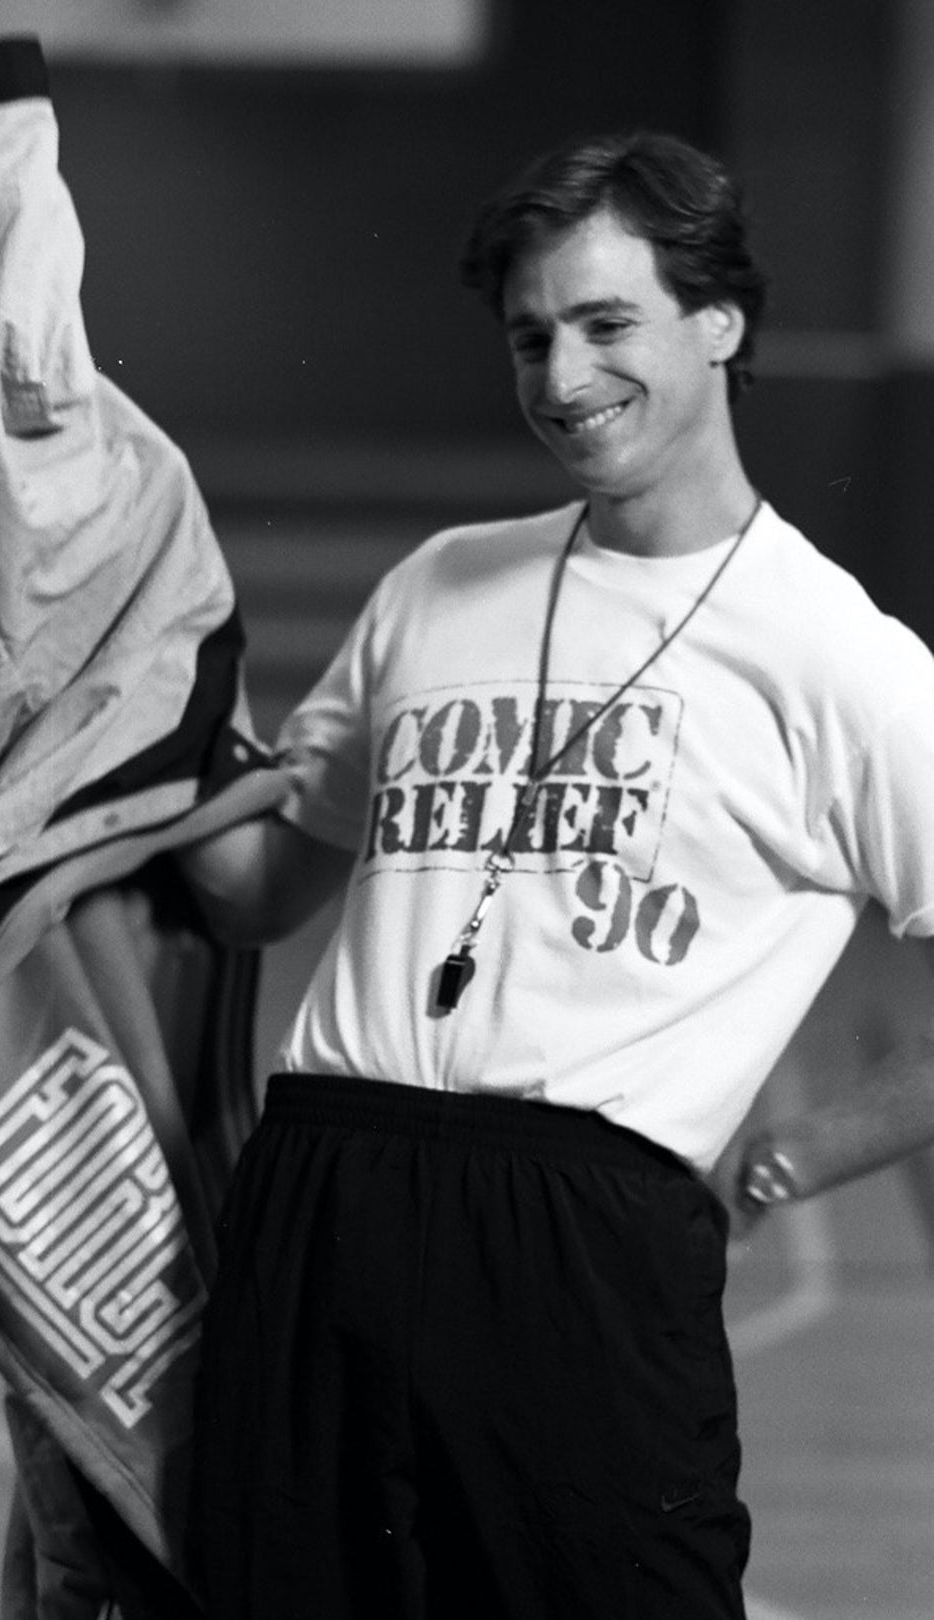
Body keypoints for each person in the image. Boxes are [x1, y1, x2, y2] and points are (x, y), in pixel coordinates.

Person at [179, 130, 934, 1618]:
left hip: (580, 1239)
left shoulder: (838, 656)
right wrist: (126, 709)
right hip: (319, 1197)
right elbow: (251, 894)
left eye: (605, 324)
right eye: (531, 335)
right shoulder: (438, 583)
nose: (559, 373)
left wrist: (794, 1155)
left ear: (719, 322)